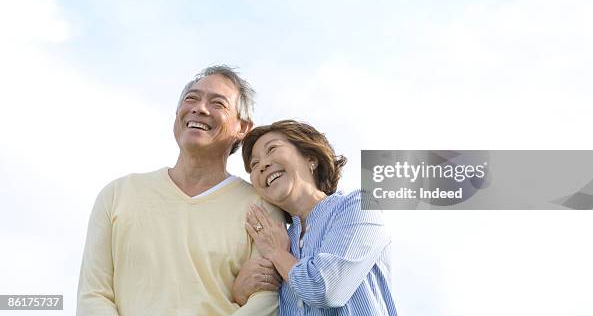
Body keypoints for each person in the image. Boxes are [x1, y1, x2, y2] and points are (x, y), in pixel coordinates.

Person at [77, 65, 284, 316]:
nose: (199, 108)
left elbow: (266, 301)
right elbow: (93, 295)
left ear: (242, 128)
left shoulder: (260, 206)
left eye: (218, 103)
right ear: (177, 114)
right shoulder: (118, 194)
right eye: (191, 98)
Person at [236, 120, 397, 315]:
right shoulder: (279, 239)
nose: (263, 165)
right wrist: (241, 293)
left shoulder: (358, 206)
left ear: (311, 158)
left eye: (272, 149)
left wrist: (277, 253)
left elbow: (326, 289)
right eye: (254, 164)